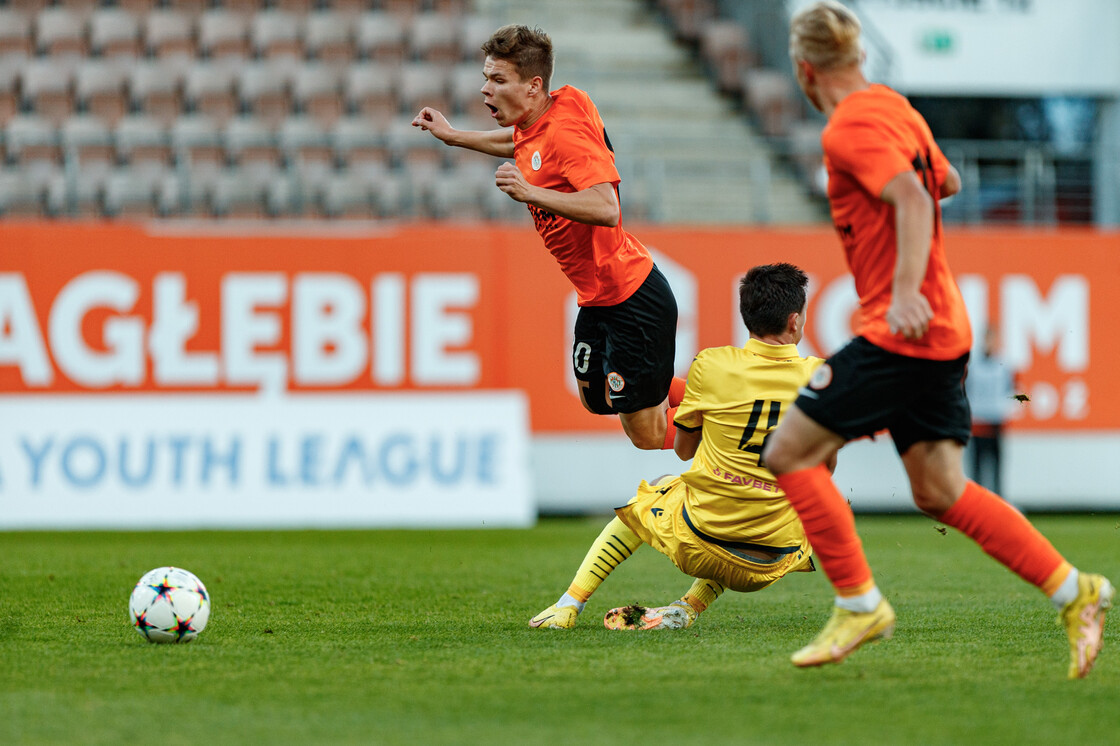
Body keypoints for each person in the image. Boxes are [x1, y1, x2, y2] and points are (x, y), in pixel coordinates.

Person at [763, 0, 1112, 678]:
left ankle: (859, 602)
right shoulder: (895, 106)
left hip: (903, 329)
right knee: (939, 489)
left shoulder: (846, 129)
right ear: (857, 58)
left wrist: (901, 291)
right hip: (946, 328)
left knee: (790, 452)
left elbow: (919, 199)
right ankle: (1077, 591)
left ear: (806, 69)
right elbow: (944, 179)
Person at [412, 24, 684, 450]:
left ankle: (729, 422)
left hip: (631, 297)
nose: (485, 89)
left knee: (647, 436)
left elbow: (607, 208)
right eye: (486, 77)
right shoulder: (548, 113)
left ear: (534, 85)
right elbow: (522, 144)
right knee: (596, 400)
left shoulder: (565, 135)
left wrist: (529, 191)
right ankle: (678, 390)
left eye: (498, 80)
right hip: (598, 297)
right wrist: (453, 136)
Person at [530, 263, 826, 630]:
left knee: (649, 499)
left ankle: (567, 605)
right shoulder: (823, 379)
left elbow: (686, 450)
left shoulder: (712, 365)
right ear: (796, 321)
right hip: (771, 562)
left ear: (746, 316)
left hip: (698, 544)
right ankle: (687, 607)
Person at [965, 328, 1017, 495]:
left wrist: (1006, 410)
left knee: (996, 466)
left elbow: (1011, 391)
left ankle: (998, 501)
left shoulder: (1004, 366)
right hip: (978, 420)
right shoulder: (973, 366)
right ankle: (976, 503)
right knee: (976, 467)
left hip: (995, 420)